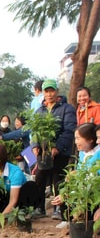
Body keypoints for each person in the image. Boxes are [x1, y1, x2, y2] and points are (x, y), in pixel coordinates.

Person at [31, 79, 76, 220]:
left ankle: (59, 210)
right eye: (46, 91)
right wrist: (34, 146)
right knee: (39, 178)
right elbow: (34, 131)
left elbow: (69, 130)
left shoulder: (67, 109)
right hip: (43, 152)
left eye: (51, 91)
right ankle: (39, 208)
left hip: (61, 152)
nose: (49, 94)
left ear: (57, 91)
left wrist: (57, 147)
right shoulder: (39, 111)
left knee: (59, 180)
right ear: (43, 93)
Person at [51, 123, 100, 228]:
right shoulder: (82, 153)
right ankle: (68, 218)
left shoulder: (98, 154)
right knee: (62, 184)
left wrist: (67, 195)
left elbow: (92, 179)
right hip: (83, 186)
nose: (76, 142)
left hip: (93, 190)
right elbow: (80, 172)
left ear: (90, 140)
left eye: (78, 138)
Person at [0, 142, 41, 229]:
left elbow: (13, 200)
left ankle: (22, 215)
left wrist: (0, 219)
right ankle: (3, 214)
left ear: (1, 159)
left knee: (31, 186)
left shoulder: (15, 172)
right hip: (4, 201)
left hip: (18, 202)